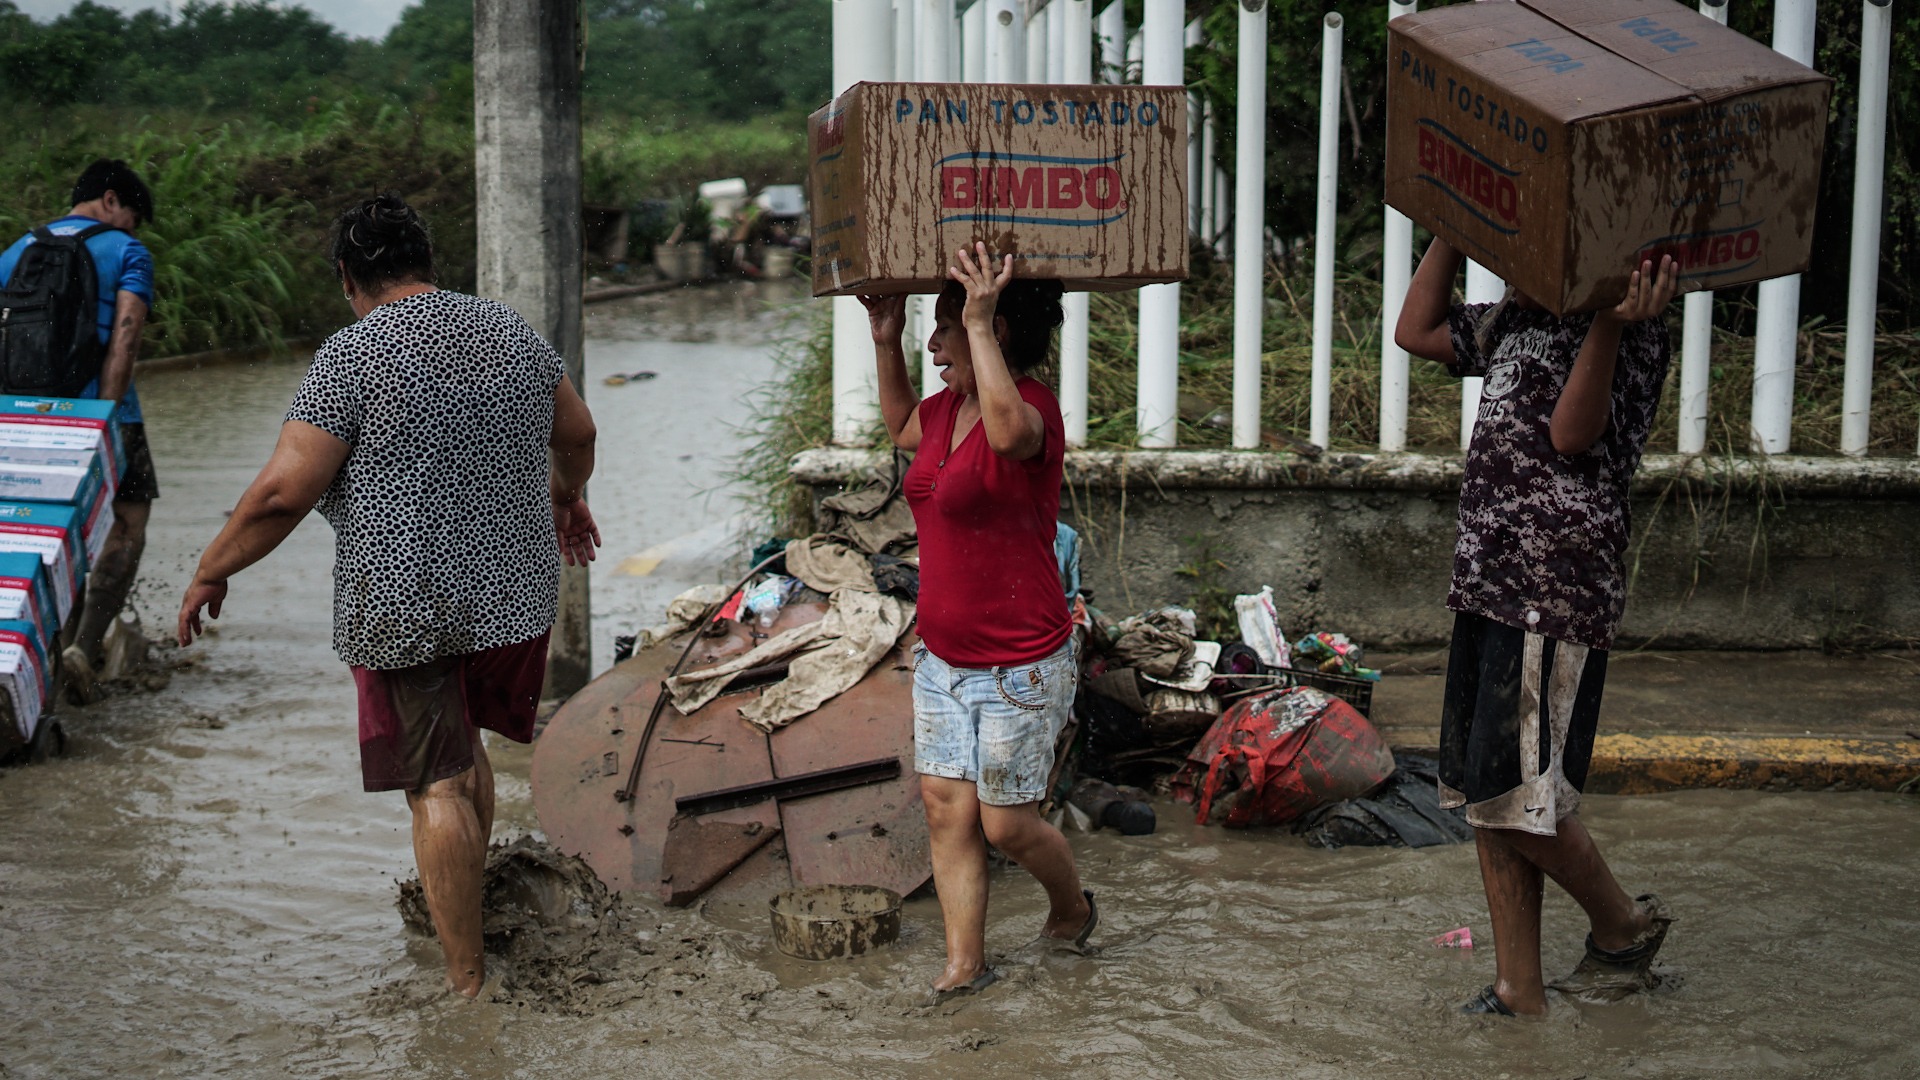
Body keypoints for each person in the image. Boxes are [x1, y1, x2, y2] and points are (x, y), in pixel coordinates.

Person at [175, 193, 600, 998]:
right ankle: (470, 923)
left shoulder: (353, 355)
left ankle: (466, 987)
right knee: (464, 746)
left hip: (409, 596)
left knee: (433, 783)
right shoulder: (510, 332)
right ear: (427, 262)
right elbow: (576, 434)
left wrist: (212, 567)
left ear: (348, 277)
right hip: (514, 591)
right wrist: (567, 495)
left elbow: (280, 494)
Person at [1395, 238, 1680, 1017]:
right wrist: (1451, 231)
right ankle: (1519, 988)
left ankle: (1622, 923)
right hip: (1488, 578)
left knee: (1517, 793)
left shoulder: (1637, 326)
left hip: (1554, 586)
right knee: (1488, 793)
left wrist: (1611, 324)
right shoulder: (1517, 319)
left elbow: (1571, 435)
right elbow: (1414, 332)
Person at [862, 243, 1095, 1000]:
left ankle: (1072, 907)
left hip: (1021, 662)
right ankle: (965, 962)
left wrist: (982, 319)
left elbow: (1007, 437)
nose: (935, 344)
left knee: (1006, 826)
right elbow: (900, 423)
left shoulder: (1031, 413)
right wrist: (883, 336)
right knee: (944, 809)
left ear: (993, 329)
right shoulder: (942, 412)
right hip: (942, 659)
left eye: (946, 327)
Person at [0, 158, 160, 699]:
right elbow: (127, 335)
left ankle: (35, 658)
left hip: (22, 425)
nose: (131, 229)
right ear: (112, 201)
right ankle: (83, 648)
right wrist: (103, 420)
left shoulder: (15, 252)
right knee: (128, 522)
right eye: (132, 216)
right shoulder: (127, 252)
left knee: (39, 534)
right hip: (104, 416)